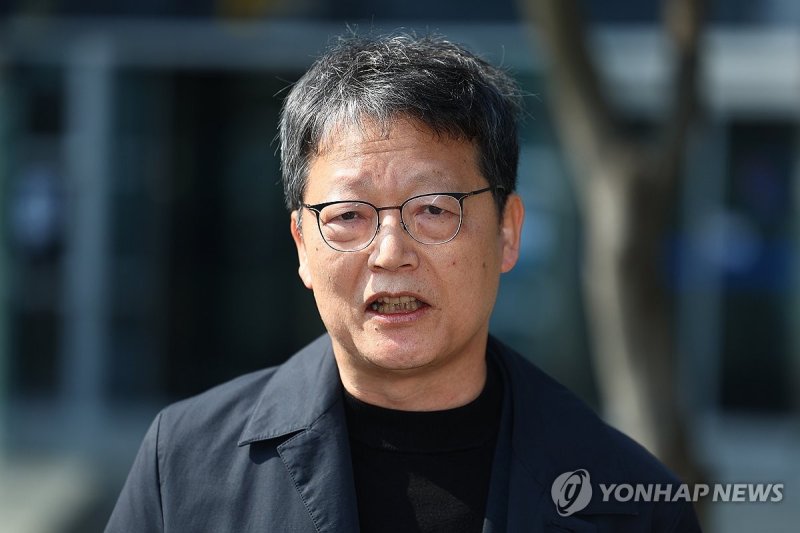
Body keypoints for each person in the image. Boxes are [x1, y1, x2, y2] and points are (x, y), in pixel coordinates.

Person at [106, 33, 702, 533]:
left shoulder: (632, 501)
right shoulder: (183, 465)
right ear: (302, 247)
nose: (391, 253)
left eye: (434, 210)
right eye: (348, 216)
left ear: (507, 233)